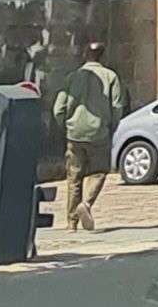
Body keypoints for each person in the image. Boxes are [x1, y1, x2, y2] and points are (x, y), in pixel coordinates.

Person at [53, 42, 126, 232]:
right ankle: (86, 203)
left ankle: (71, 222)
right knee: (99, 172)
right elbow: (117, 106)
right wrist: (112, 125)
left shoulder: (72, 77)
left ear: (85, 55)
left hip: (75, 132)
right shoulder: (111, 77)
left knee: (73, 177)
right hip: (98, 132)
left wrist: (65, 125)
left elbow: (58, 108)